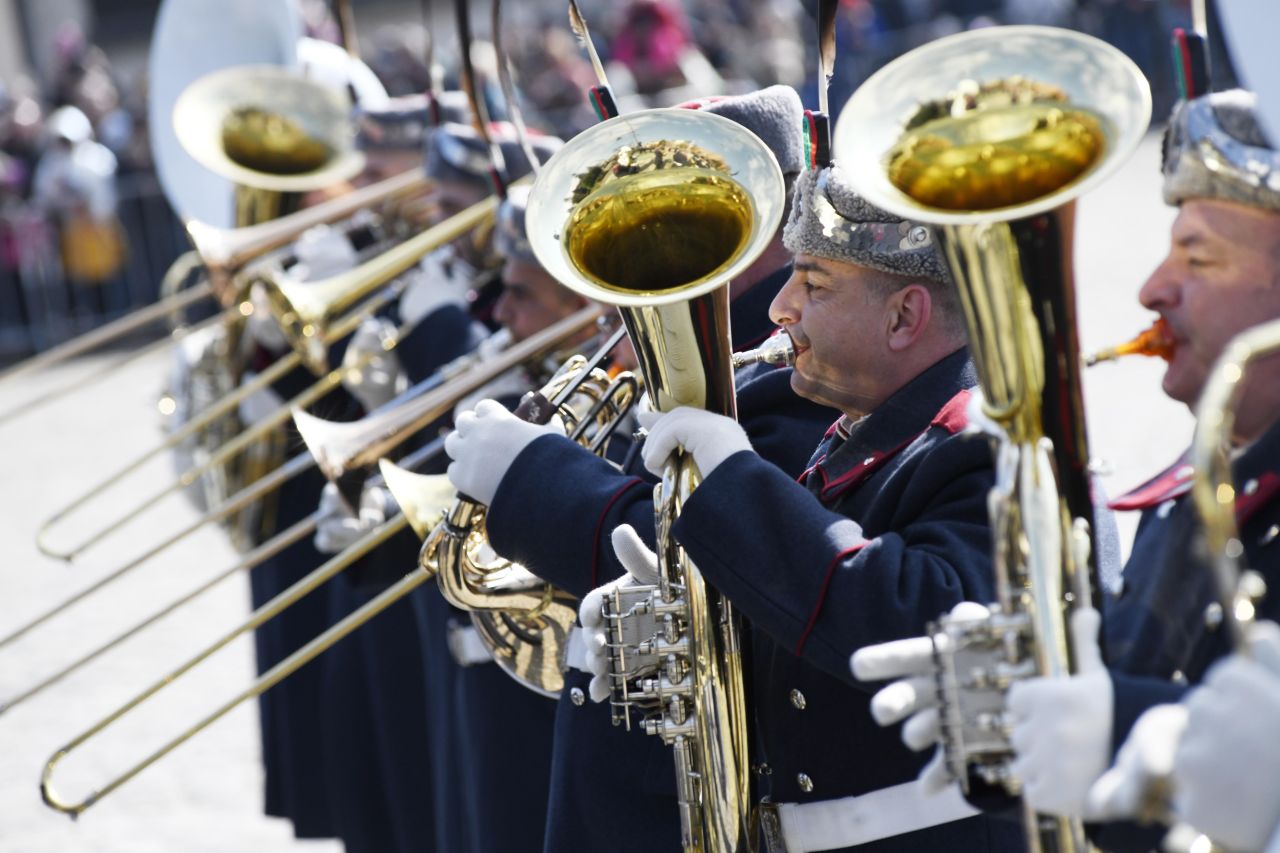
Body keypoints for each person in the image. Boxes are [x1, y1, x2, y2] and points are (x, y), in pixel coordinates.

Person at [858, 88, 1280, 853]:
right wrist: (1030, 689)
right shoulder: (1200, 489)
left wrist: (1124, 727)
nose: (1153, 287)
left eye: (1200, 255)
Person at [311, 122, 565, 853]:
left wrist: (444, 335)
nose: (503, 314)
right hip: (463, 660)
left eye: (447, 203)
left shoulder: (482, 320)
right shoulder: (474, 311)